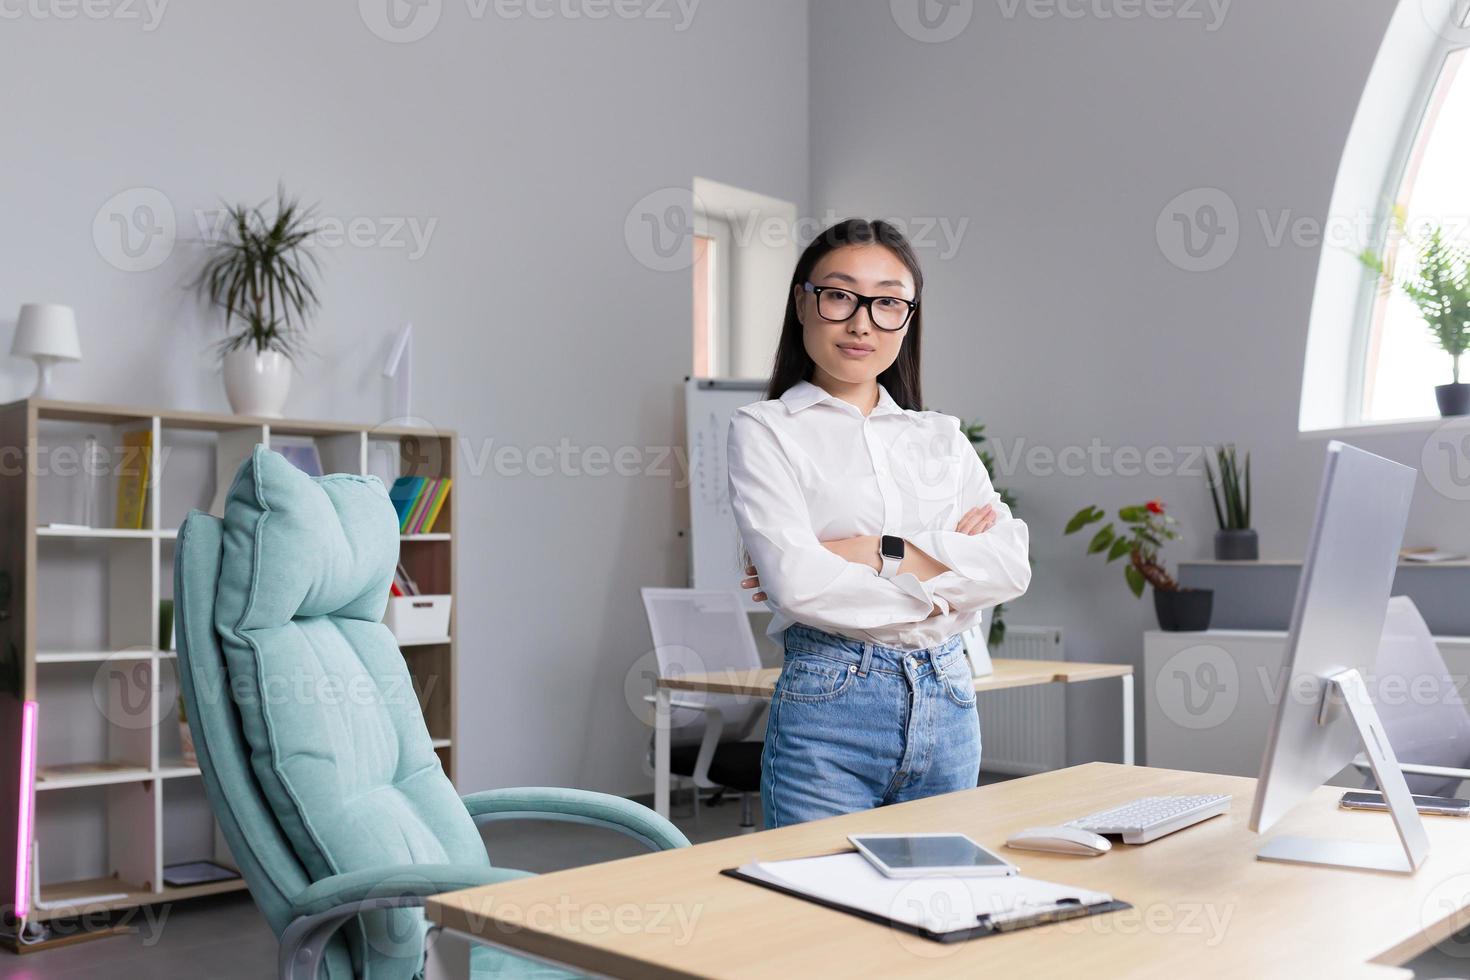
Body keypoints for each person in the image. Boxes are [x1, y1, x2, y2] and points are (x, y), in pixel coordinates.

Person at [726, 218, 1032, 829]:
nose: (862, 322)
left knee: (937, 902)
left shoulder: (941, 436)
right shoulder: (764, 430)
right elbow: (798, 584)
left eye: (888, 302)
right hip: (829, 703)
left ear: (908, 316)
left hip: (948, 697)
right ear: (802, 301)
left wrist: (878, 550)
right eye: (840, 295)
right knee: (819, 907)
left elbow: (1009, 566)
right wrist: (943, 581)